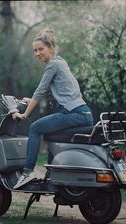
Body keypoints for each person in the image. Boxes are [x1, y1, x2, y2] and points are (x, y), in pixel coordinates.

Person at [12, 28, 93, 189]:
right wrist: (31, 101)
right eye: (35, 50)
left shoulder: (52, 65)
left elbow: (40, 90)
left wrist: (24, 114)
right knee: (50, 133)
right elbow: (56, 91)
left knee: (35, 128)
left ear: (51, 48)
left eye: (40, 49)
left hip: (75, 113)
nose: (37, 53)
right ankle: (52, 177)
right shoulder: (61, 62)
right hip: (83, 113)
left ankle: (27, 172)